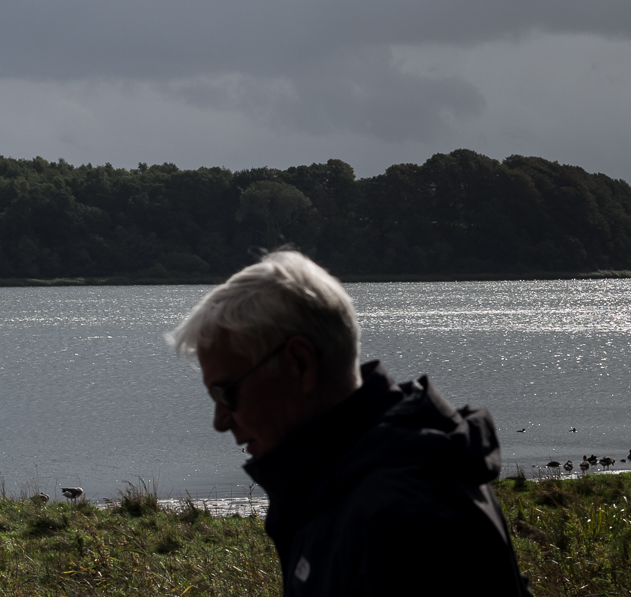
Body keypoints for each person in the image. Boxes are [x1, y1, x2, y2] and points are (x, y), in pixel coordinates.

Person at [168, 250, 530, 596]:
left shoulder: (398, 520)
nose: (219, 421)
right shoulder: (346, 482)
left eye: (227, 393)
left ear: (301, 363)